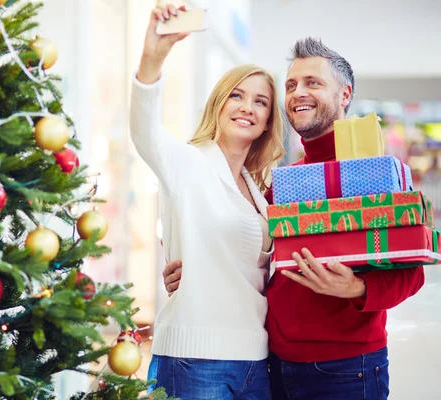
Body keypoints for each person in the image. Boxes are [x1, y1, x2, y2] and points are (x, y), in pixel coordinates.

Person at [163, 37, 425, 400]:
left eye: (312, 83)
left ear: (345, 94)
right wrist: (194, 268)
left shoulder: (376, 171)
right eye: (291, 85)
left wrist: (358, 288)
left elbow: (413, 273)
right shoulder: (283, 182)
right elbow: (250, 249)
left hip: (346, 368)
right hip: (273, 363)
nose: (298, 92)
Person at [130, 3, 285, 399]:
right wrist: (153, 57)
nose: (247, 107)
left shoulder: (259, 193)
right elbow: (145, 130)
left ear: (268, 121)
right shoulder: (188, 162)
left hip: (255, 360)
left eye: (260, 102)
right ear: (219, 103)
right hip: (194, 360)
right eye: (236, 95)